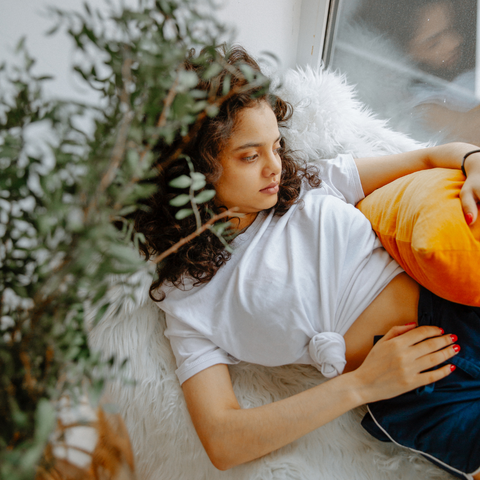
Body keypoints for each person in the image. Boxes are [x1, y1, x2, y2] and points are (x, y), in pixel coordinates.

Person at [134, 46, 480, 479]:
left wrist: (474, 163)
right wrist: (361, 385)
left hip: (460, 304)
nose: (274, 168)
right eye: (250, 156)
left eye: (276, 146)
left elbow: (432, 156)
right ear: (193, 169)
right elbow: (223, 441)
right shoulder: (189, 298)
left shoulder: (314, 182)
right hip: (416, 394)